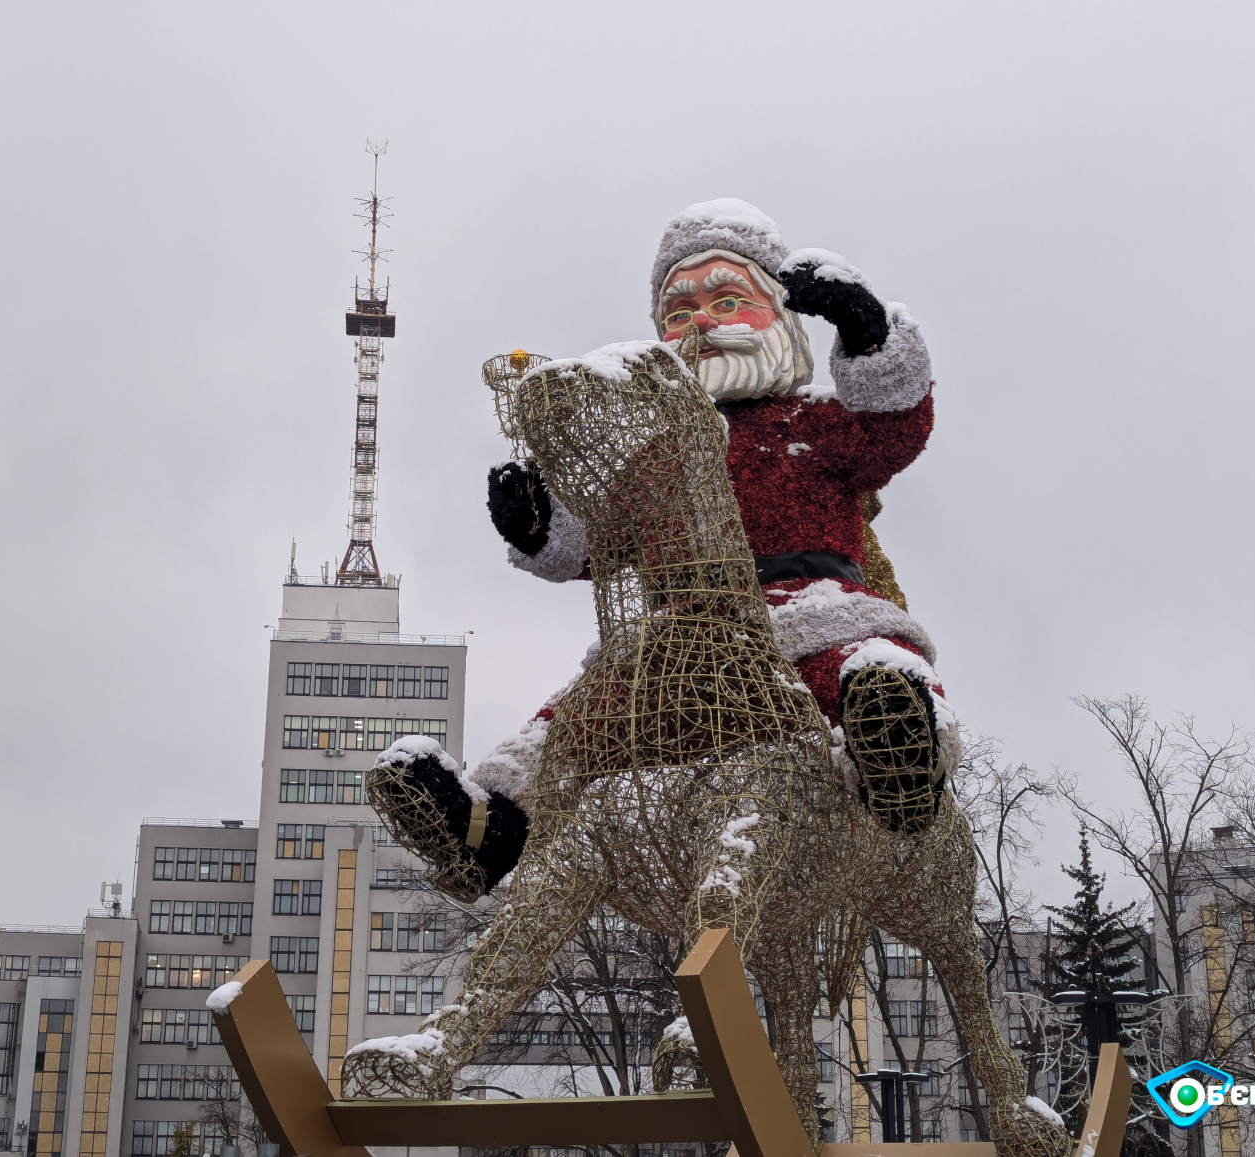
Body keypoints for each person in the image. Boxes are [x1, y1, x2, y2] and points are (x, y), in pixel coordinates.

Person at [375, 199, 959, 896]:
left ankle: (896, 763)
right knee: (572, 725)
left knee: (864, 676)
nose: (702, 324)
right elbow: (604, 539)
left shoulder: (816, 427)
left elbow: (893, 427)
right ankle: (486, 827)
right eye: (679, 314)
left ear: (780, 315)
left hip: (813, 616)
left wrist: (864, 329)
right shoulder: (662, 458)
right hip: (681, 644)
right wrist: (540, 524)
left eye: (727, 299)